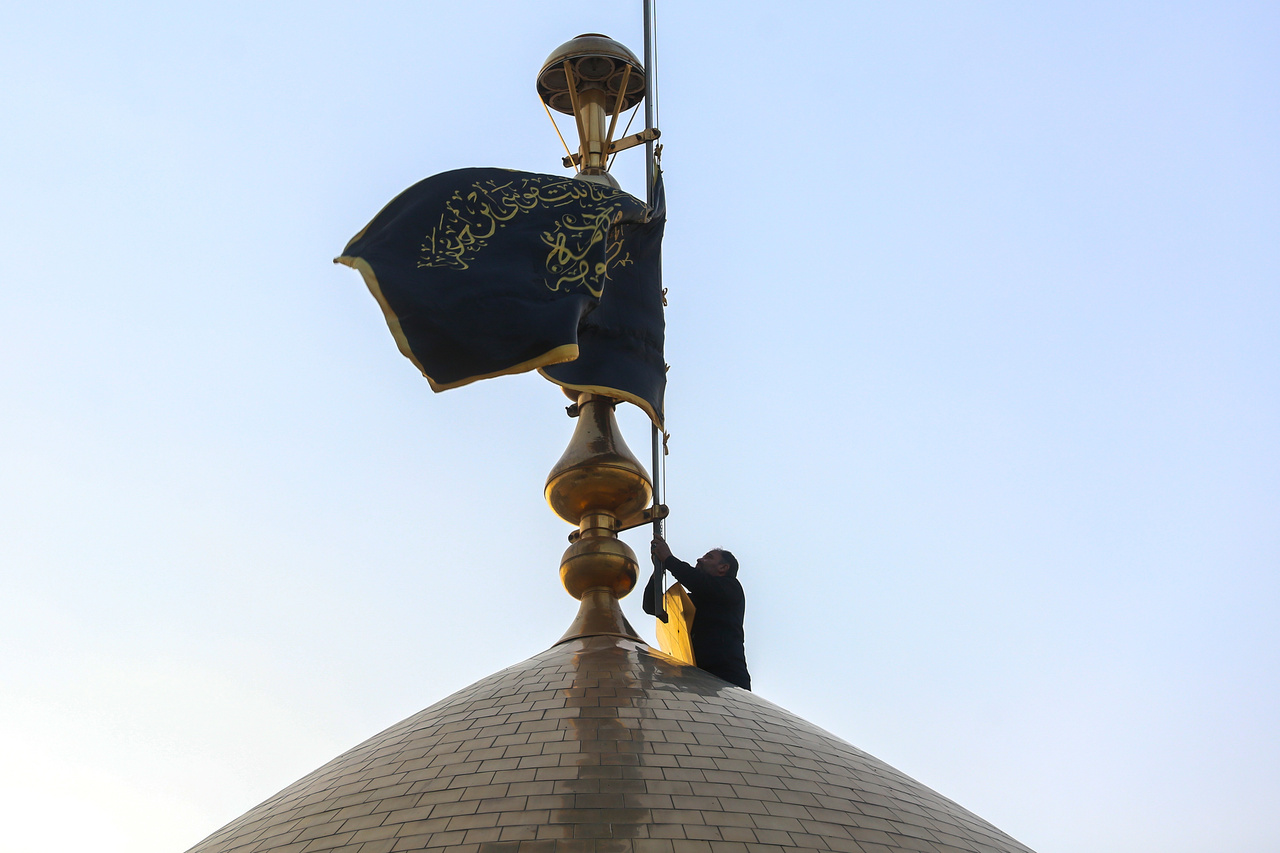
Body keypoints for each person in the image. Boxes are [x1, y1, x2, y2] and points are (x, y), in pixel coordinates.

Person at [644, 536, 751, 690]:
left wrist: (668, 559)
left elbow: (697, 581)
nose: (699, 560)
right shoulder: (697, 599)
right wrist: (658, 571)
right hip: (698, 675)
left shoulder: (731, 588)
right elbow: (652, 606)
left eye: (709, 557)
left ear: (723, 568)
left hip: (728, 677)